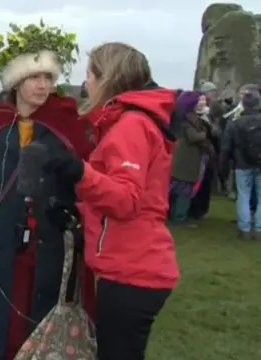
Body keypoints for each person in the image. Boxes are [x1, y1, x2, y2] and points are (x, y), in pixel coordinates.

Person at [0, 48, 95, 360]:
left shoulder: (64, 125)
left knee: (37, 318)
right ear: (16, 82)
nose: (42, 85)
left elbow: (85, 181)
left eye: (48, 78)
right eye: (34, 77)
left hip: (46, 245)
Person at [41, 42, 179, 360]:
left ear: (108, 78)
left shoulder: (131, 125)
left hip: (133, 268)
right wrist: (75, 212)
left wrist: (79, 172)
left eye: (90, 74)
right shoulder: (133, 121)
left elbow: (126, 200)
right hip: (133, 263)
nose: (85, 82)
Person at [220, 89, 261, 239]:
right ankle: (259, 229)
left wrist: (223, 165)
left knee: (243, 195)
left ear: (243, 104)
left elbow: (226, 147)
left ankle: (244, 229)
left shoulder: (235, 123)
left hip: (242, 163)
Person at [169, 92, 215, 226]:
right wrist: (205, 131)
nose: (204, 102)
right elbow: (194, 137)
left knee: (179, 188)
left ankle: (176, 215)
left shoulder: (187, 117)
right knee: (184, 188)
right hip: (186, 157)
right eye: (200, 100)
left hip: (186, 156)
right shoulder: (188, 118)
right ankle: (180, 217)